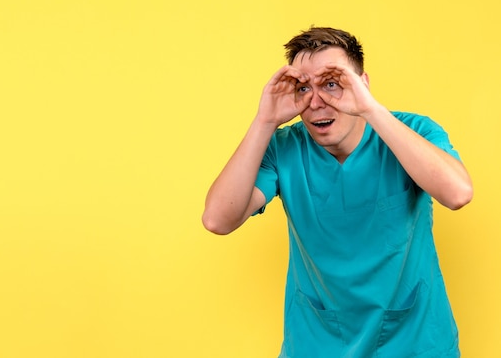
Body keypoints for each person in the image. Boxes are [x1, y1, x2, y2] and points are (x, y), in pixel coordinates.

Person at [202, 27, 473, 357]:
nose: (317, 102)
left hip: (415, 342)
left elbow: (458, 193)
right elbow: (218, 219)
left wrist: (370, 109)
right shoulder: (284, 148)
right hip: (318, 343)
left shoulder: (412, 131)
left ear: (363, 84)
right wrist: (265, 121)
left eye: (332, 84)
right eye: (303, 88)